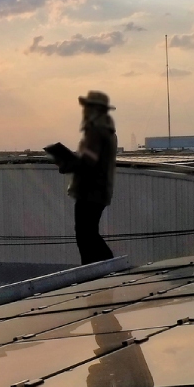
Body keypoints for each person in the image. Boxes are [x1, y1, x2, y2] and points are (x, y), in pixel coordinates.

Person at [69, 90, 118, 264]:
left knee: (85, 234)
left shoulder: (96, 131)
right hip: (99, 191)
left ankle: (96, 269)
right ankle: (106, 266)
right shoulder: (108, 130)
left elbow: (89, 161)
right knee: (90, 232)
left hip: (89, 190)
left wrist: (68, 163)